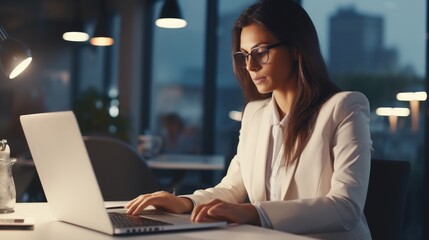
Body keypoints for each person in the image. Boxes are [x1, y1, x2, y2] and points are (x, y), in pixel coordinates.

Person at [125, 0, 372, 239]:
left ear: (296, 49)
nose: (250, 66)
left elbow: (346, 207)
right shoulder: (255, 114)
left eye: (260, 52)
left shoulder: (344, 107)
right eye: (244, 55)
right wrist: (184, 201)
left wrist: (253, 212)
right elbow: (231, 189)